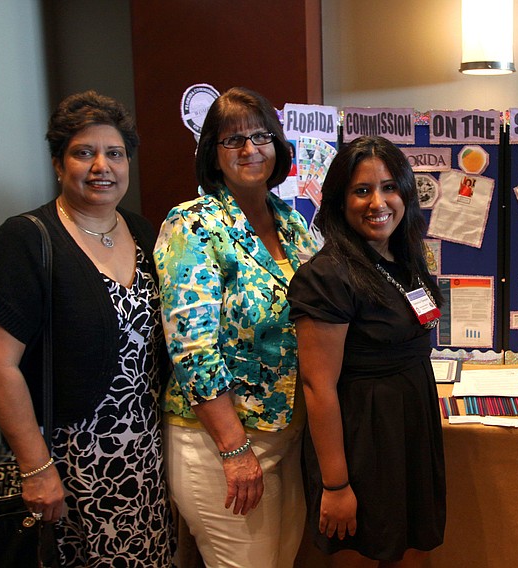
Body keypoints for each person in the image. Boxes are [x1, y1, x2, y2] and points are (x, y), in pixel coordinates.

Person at [0, 91, 175, 566]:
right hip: (70, 463)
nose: (101, 166)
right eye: (83, 152)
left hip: (148, 457)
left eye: (114, 153)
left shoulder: (144, 234)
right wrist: (35, 467)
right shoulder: (27, 240)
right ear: (57, 163)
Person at [155, 86, 317, 567]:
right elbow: (192, 349)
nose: (250, 149)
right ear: (213, 154)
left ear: (278, 145)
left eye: (261, 135)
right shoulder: (194, 224)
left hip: (287, 433)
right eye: (233, 140)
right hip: (220, 442)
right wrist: (234, 449)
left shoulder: (291, 223)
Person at [287, 136, 446, 567]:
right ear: (340, 201)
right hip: (362, 441)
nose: (379, 202)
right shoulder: (326, 276)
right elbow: (317, 386)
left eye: (390, 187)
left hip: (408, 427)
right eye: (362, 190)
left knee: (404, 550)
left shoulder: (404, 257)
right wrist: (336, 485)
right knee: (364, 551)